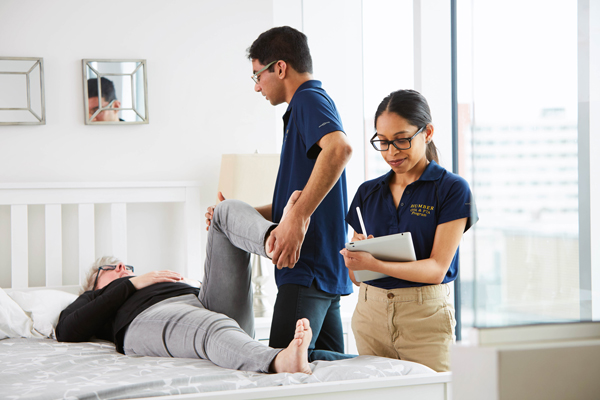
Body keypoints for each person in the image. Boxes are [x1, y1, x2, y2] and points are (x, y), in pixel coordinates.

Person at [208, 26, 353, 361]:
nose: (257, 86)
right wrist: (235, 214)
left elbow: (340, 149)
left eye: (257, 75)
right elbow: (292, 202)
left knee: (277, 371)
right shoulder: (306, 107)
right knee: (323, 373)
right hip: (323, 271)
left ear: (280, 67)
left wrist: (298, 218)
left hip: (306, 265)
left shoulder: (307, 100)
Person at [56, 195, 313, 374]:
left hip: (202, 299)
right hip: (148, 318)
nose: (122, 268)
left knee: (223, 211)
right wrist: (130, 285)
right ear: (94, 286)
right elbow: (67, 331)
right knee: (210, 325)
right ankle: (278, 361)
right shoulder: (95, 300)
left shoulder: (155, 281)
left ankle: (275, 239)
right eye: (111, 269)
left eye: (126, 266)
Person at [339, 89, 478, 372]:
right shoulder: (368, 192)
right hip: (370, 315)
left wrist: (375, 262)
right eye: (383, 141)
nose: (391, 152)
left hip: (424, 319)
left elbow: (437, 269)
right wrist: (355, 260)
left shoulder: (451, 189)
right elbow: (356, 277)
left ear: (427, 133)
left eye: (401, 140)